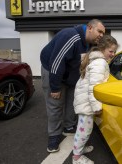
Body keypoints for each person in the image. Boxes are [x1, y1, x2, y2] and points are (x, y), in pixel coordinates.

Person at [40, 19, 105, 153]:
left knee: (72, 100)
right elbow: (57, 62)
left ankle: (68, 127)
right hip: (53, 71)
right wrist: (55, 87)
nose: (101, 35)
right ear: (89, 28)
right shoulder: (71, 36)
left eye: (103, 33)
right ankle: (54, 136)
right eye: (100, 31)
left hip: (69, 74)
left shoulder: (88, 43)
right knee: (55, 104)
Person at [72, 35, 118, 164]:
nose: (113, 54)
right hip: (87, 103)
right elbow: (94, 87)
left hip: (85, 100)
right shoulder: (100, 63)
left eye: (114, 51)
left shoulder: (96, 60)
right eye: (111, 51)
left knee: (83, 129)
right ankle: (76, 157)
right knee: (84, 131)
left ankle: (80, 148)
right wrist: (96, 107)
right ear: (102, 49)